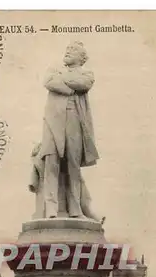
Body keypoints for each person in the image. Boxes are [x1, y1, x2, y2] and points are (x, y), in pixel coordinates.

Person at [40, 41, 99, 218]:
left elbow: (84, 83)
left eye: (72, 50)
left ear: (82, 58)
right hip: (53, 120)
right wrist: (70, 86)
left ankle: (75, 208)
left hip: (75, 119)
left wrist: (63, 80)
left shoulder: (87, 73)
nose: (67, 52)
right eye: (66, 49)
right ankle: (51, 207)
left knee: (73, 164)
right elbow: (48, 82)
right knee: (51, 160)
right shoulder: (53, 69)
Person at [29, 142, 104, 222]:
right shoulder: (46, 159)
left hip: (57, 188)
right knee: (77, 182)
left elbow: (33, 183)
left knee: (77, 181)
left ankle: (89, 212)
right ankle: (89, 213)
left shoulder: (42, 160)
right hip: (56, 191)